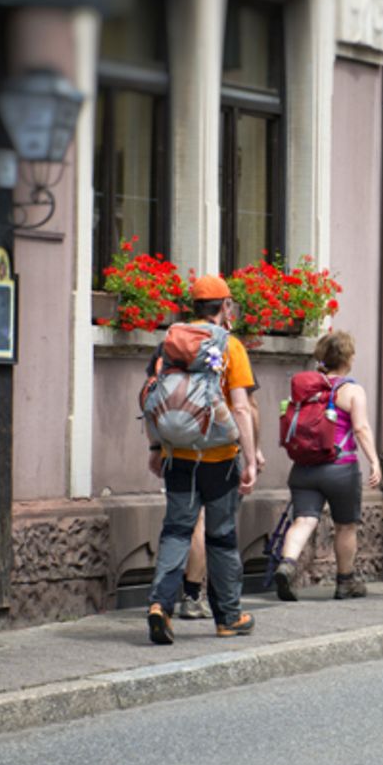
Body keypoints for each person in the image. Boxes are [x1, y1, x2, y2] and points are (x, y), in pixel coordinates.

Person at [145, 275, 260, 645]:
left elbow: (150, 396)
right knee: (221, 537)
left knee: (177, 529)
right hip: (221, 458)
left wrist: (155, 448)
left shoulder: (169, 344)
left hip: (177, 454)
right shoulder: (230, 346)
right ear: (225, 306)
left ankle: (160, 605)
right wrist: (251, 458)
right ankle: (228, 617)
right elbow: (240, 407)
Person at [274, 331, 382, 602]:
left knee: (304, 519)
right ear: (348, 358)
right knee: (345, 525)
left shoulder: (306, 388)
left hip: (304, 467)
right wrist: (374, 461)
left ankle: (287, 563)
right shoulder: (352, 390)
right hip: (340, 468)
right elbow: (360, 427)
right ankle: (345, 582)